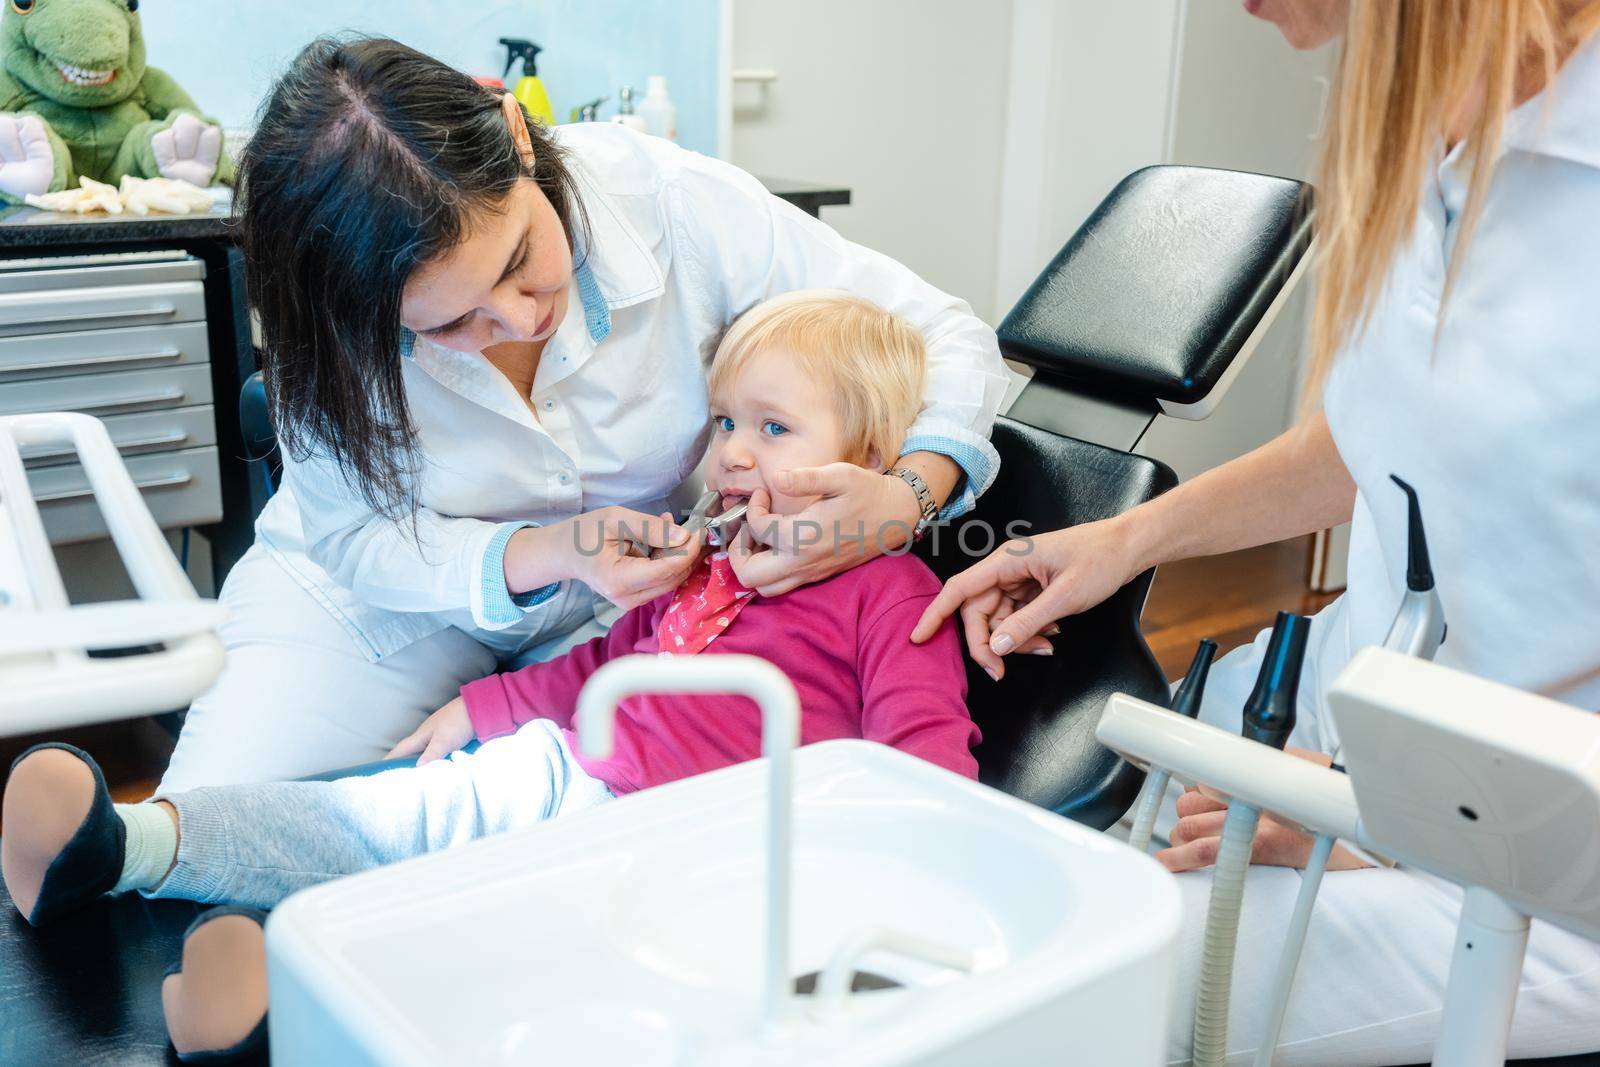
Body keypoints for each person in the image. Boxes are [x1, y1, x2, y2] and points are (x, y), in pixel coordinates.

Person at [1, 290, 981, 1062]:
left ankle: (266, 1008)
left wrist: (859, 886)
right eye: (725, 420)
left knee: (468, 938)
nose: (729, 451)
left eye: (773, 429)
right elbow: (604, 663)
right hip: (566, 775)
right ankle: (121, 843)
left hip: (694, 853)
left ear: (870, 461)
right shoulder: (703, 559)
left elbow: (927, 769)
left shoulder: (889, 591)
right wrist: (488, 701)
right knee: (370, 817)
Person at [913, 0, 1600, 1062]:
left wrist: (1383, 814)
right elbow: (1374, 434)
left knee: (1064, 997)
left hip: (1539, 870)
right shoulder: (1437, 131)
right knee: (1003, 877)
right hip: (1338, 739)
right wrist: (1121, 541)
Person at [164, 37, 1008, 792]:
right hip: (388, 601)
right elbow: (353, 537)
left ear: (518, 136)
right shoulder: (331, 328)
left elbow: (944, 334)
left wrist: (907, 497)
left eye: (520, 261)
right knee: (228, 809)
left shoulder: (674, 204)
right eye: (451, 323)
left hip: (619, 611)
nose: (522, 320)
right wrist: (549, 551)